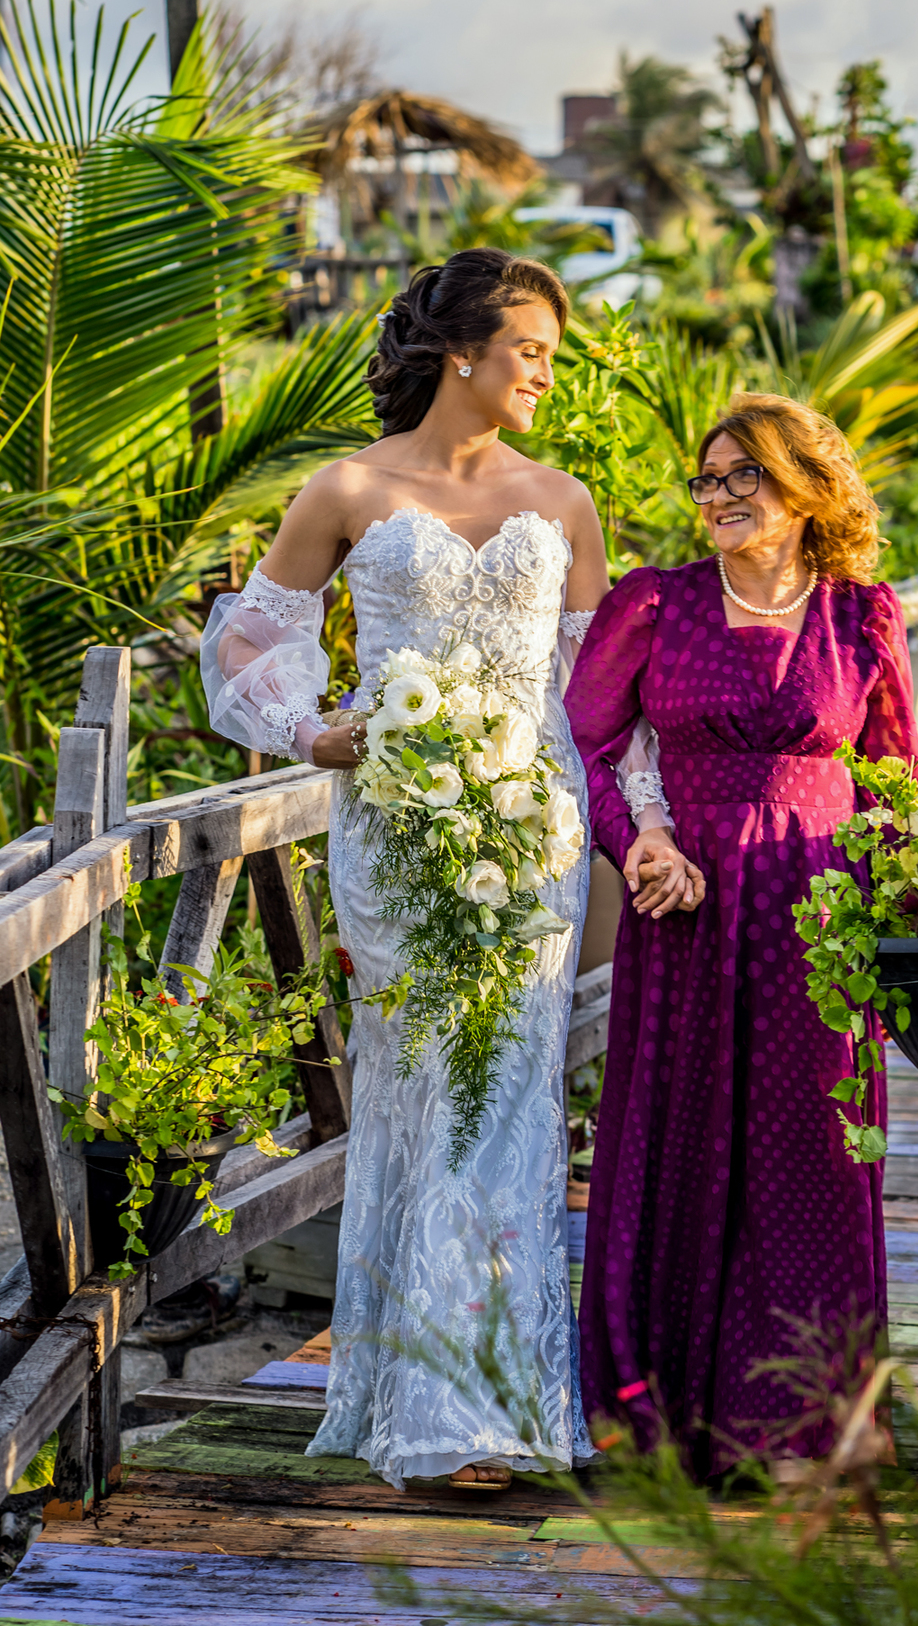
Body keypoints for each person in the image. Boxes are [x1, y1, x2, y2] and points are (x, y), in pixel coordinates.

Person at [201, 249, 626, 1492]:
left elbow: (596, 699)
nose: (547, 371)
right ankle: (419, 1393)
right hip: (395, 829)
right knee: (420, 1090)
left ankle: (493, 1395)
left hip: (532, 829)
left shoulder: (566, 500)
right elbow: (247, 648)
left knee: (510, 1101)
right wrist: (313, 734)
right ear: (464, 354)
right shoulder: (345, 488)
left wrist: (634, 831)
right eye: (533, 350)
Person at [564, 392, 918, 1481]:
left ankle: (805, 1429)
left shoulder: (863, 615)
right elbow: (587, 745)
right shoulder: (656, 603)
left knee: (809, 1156)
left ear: (805, 490)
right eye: (707, 480)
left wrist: (894, 919)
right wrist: (637, 844)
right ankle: (659, 1421)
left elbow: (896, 782)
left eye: (742, 478)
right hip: (686, 908)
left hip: (819, 918)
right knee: (672, 1148)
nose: (716, 498)